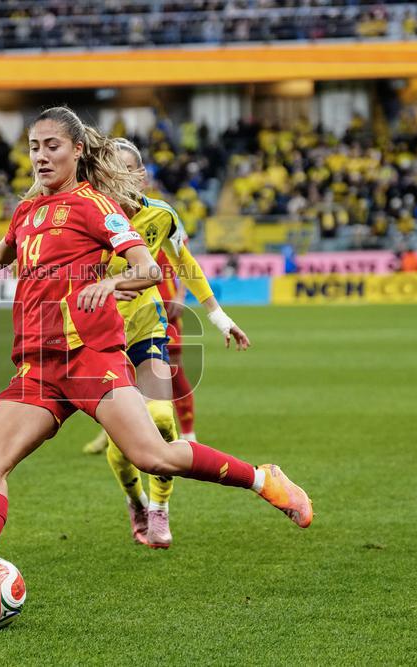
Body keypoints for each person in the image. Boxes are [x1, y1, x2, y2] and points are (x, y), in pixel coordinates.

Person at [0, 107, 311, 609]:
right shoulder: (28, 210)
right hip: (38, 364)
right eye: (34, 146)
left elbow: (147, 268)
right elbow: (0, 255)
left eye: (53, 145)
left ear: (76, 151)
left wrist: (111, 282)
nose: (42, 155)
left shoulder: (95, 206)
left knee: (154, 456)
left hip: (90, 356)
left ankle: (265, 479)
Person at [81, 138, 251, 549]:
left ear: (139, 175)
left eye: (121, 173)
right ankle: (134, 499)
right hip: (100, 338)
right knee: (125, 441)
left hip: (145, 328)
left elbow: (185, 264)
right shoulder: (89, 215)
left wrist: (218, 317)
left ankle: (159, 509)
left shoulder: (162, 216)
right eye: (106, 175)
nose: (113, 183)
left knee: (160, 417)